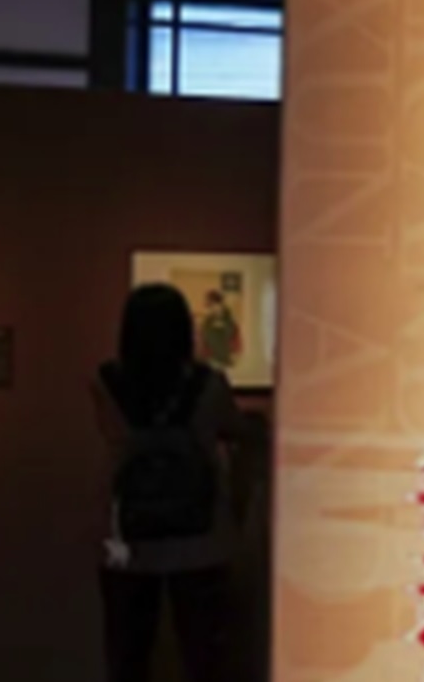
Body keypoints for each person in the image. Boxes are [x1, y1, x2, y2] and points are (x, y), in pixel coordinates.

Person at [92, 283, 244, 682]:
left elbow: (111, 434)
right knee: (204, 656)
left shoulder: (106, 383)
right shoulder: (208, 385)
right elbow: (234, 428)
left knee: (129, 655)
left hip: (126, 539)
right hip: (201, 538)